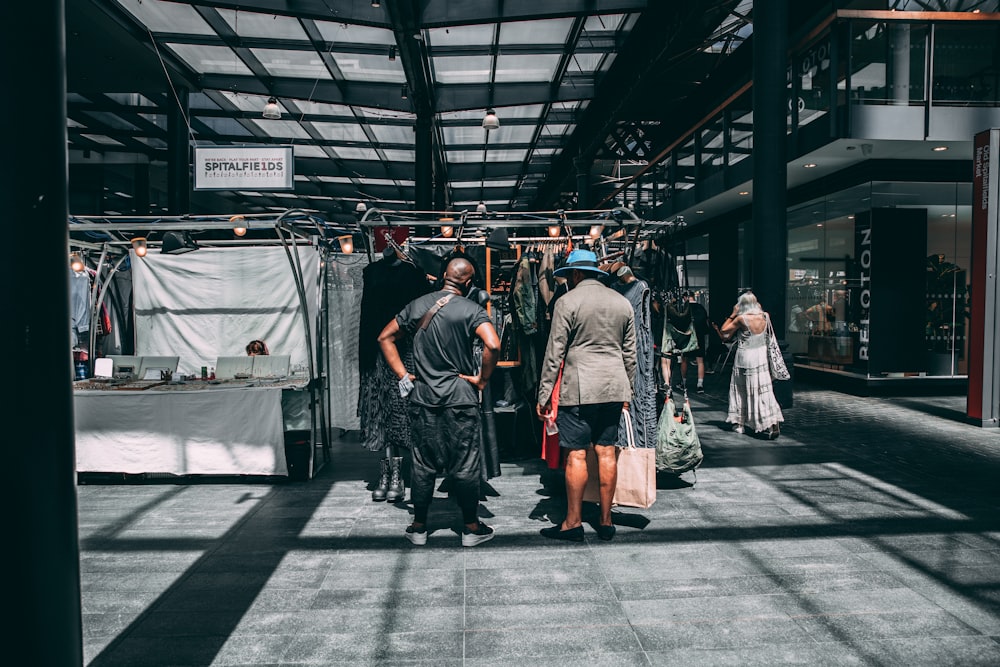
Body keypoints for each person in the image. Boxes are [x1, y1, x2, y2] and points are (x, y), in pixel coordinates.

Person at [378, 257, 500, 547]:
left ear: (443, 275)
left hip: (423, 396)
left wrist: (403, 374)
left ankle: (419, 526)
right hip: (460, 396)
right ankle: (471, 528)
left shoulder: (418, 305)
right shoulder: (472, 309)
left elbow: (384, 337)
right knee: (466, 463)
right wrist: (481, 380)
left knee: (423, 463)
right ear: (469, 283)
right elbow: (493, 345)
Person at [536, 249, 636, 542]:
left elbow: (554, 353)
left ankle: (573, 522)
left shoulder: (567, 302)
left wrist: (544, 395)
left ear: (576, 274)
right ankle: (606, 521)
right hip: (613, 385)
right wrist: (626, 389)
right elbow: (630, 354)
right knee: (607, 451)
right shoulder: (622, 302)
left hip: (578, 388)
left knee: (576, 454)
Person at [714, 291, 783, 439]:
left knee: (741, 390)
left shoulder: (741, 318)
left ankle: (740, 423)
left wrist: (733, 313)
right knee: (763, 389)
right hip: (761, 356)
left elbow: (724, 331)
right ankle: (771, 420)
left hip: (745, 356)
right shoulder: (765, 316)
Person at [686, 292, 710, 393]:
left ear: (685, 297)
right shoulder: (701, 308)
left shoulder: (685, 308)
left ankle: (683, 382)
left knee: (684, 359)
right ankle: (700, 384)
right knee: (700, 361)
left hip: (687, 337)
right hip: (699, 337)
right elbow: (706, 322)